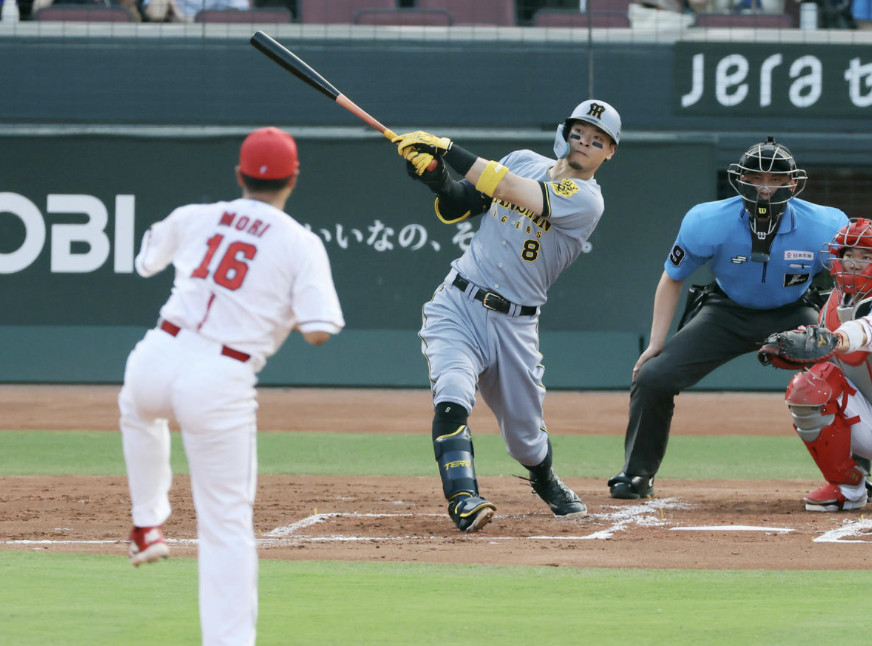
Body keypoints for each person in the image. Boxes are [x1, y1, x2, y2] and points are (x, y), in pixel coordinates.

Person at [119, 127, 344, 645]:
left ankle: (147, 522)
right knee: (225, 525)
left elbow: (145, 261)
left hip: (157, 351)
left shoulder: (196, 216)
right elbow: (318, 331)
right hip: (219, 377)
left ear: (239, 174)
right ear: (294, 179)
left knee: (138, 409)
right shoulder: (299, 242)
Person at [392, 99, 620, 532]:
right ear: (564, 133)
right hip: (458, 303)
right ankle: (463, 499)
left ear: (609, 152)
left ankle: (544, 477)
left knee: (525, 440)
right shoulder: (523, 162)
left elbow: (513, 192)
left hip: (515, 323)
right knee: (453, 392)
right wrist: (437, 177)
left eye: (597, 140)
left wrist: (446, 149)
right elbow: (458, 204)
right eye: (578, 133)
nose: (584, 143)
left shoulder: (587, 200)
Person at [608, 137, 849, 500]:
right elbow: (672, 277)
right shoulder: (707, 220)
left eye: (776, 179)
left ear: (793, 183)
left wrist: (839, 335)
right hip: (725, 311)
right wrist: (656, 343)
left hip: (794, 312)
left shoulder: (826, 225)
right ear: (739, 179)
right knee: (654, 377)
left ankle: (851, 476)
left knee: (851, 371)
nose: (765, 188)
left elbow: (848, 286)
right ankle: (637, 474)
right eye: (755, 178)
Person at [783, 218, 872, 512]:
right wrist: (793, 351)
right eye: (849, 255)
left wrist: (830, 339)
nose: (855, 263)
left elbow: (861, 332)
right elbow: (829, 362)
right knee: (810, 386)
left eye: (866, 256)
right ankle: (848, 486)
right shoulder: (833, 302)